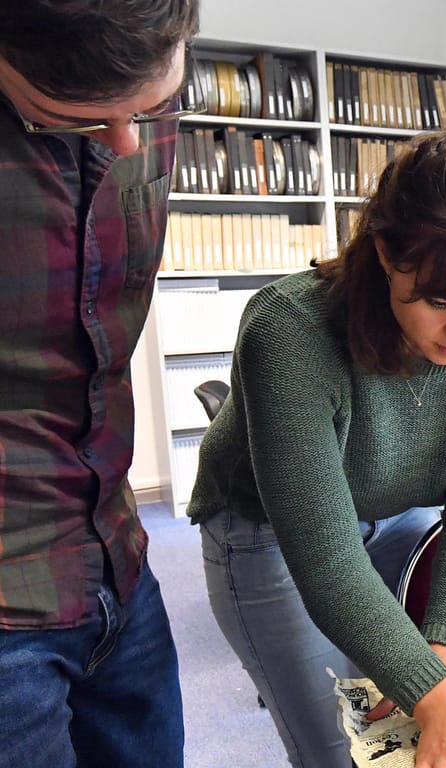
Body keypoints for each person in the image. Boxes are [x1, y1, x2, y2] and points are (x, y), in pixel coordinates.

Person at [189, 123, 446, 767]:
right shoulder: (288, 328)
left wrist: (444, 647)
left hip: (398, 512)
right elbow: (325, 554)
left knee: (408, 723)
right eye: (440, 300)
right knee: (340, 747)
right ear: (388, 252)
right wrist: (436, 695)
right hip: (268, 532)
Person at [0, 2, 200, 766]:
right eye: (71, 120)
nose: (127, 143)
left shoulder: (150, 43)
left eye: (154, 107)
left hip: (122, 556)